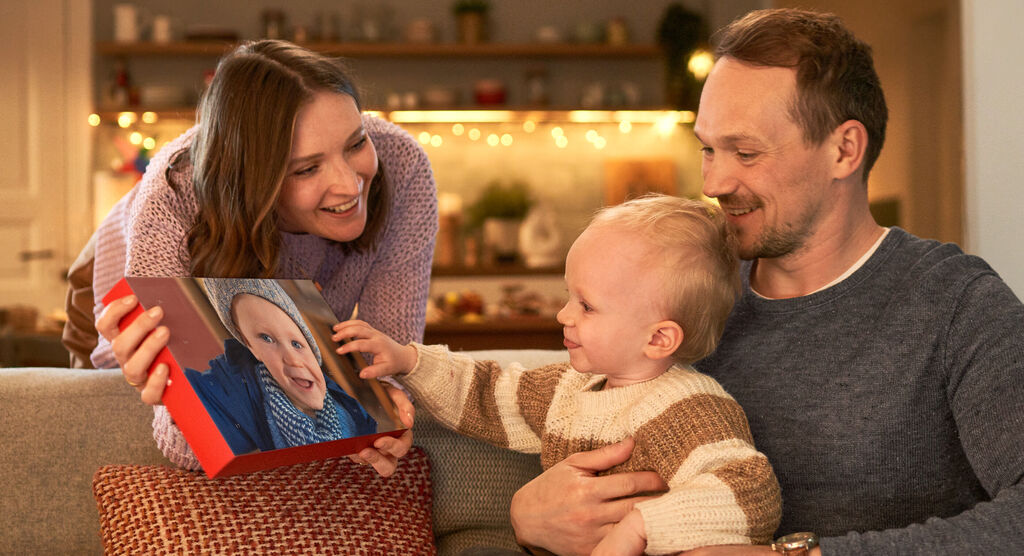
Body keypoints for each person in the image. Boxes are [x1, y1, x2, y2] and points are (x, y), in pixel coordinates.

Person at [508, 8, 1024, 555]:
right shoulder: (680, 290)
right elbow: (557, 409)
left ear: (844, 149)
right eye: (708, 148)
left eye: (745, 152)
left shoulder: (956, 304)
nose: (714, 182)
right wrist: (527, 518)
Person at [336, 195, 783, 555]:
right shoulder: (568, 389)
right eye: (570, 296)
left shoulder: (692, 408)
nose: (562, 314)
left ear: (659, 339)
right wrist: (408, 360)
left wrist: (639, 528)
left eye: (586, 306)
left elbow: (752, 495)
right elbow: (484, 393)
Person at [92, 39, 435, 476]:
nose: (351, 185)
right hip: (110, 274)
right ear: (251, 179)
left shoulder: (401, 165)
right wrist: (180, 405)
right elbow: (190, 447)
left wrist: (385, 409)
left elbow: (385, 358)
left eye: (356, 143)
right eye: (307, 168)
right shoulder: (173, 195)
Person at [186, 279, 377, 455]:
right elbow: (200, 420)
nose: (293, 360)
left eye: (297, 344)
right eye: (267, 339)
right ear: (251, 347)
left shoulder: (345, 406)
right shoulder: (237, 394)